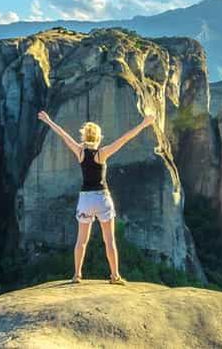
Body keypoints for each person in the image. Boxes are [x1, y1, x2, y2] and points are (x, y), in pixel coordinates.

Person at [37, 110, 156, 285]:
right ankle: (114, 276)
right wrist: (144, 124)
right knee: (109, 240)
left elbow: (63, 134)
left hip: (85, 199)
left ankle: (77, 275)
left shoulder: (80, 152)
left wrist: (48, 121)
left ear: (84, 136)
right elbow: (125, 139)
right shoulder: (103, 153)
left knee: (81, 241)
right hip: (102, 198)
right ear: (98, 137)